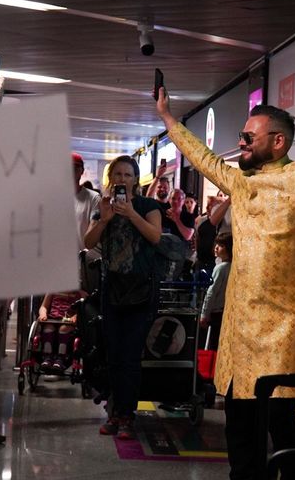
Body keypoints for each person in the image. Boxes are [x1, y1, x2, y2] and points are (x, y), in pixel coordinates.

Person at [156, 88, 295, 480]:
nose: (241, 143)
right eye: (242, 136)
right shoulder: (239, 180)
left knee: (279, 410)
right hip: (240, 321)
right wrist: (167, 117)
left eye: (249, 137)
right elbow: (202, 156)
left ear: (278, 141)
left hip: (282, 321)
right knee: (239, 414)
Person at [83, 155, 162, 440]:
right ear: (111, 179)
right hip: (112, 290)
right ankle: (114, 413)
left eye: (128, 175)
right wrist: (105, 220)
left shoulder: (148, 206)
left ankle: (127, 415)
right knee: (113, 354)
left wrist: (131, 214)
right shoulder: (104, 207)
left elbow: (155, 236)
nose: (122, 179)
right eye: (117, 174)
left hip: (141, 291)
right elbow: (88, 242)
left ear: (135, 180)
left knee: (130, 356)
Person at [200, 232, 232, 350]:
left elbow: (211, 292)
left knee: (213, 345)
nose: (216, 247)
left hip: (216, 312)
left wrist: (204, 314)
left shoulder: (220, 268)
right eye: (216, 244)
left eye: (221, 245)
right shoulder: (231, 266)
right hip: (226, 311)